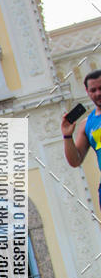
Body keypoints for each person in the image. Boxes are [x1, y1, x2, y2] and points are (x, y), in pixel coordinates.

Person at [61, 69, 101, 209]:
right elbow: (75, 160)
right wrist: (67, 135)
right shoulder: (87, 124)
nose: (98, 93)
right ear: (87, 91)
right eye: (93, 90)